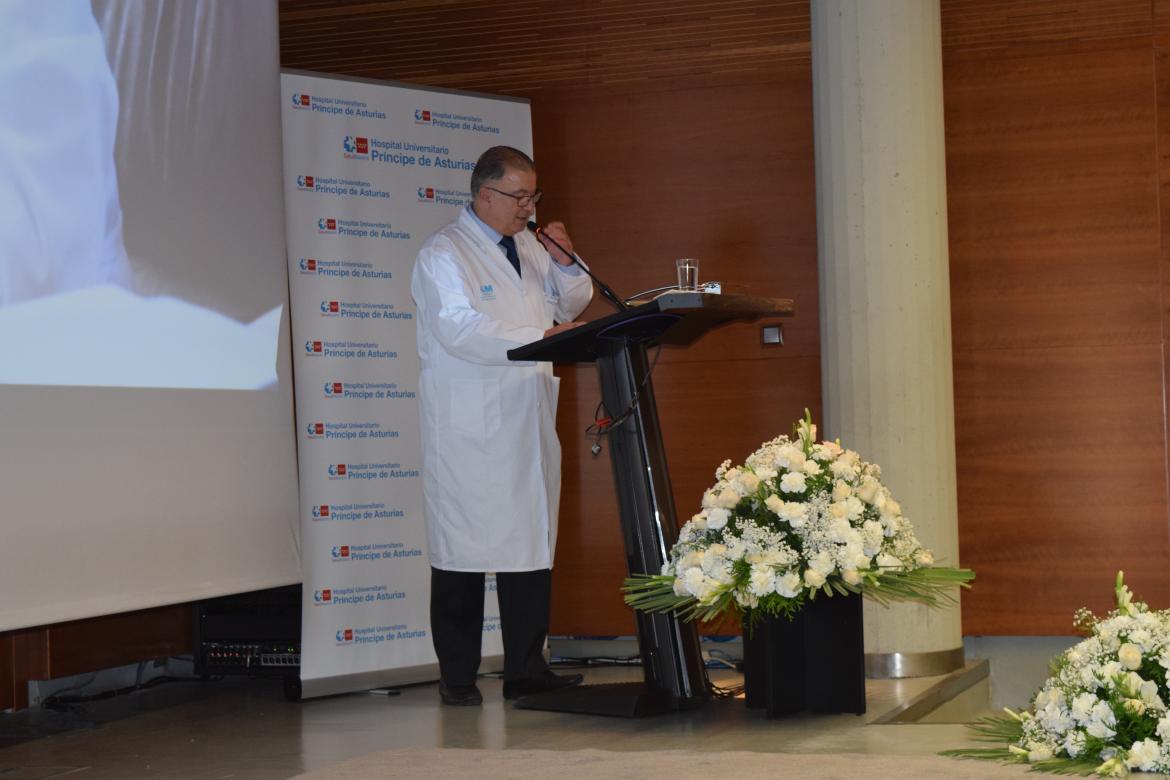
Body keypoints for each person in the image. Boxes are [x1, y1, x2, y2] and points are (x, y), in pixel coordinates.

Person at [411, 146, 593, 705]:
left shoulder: (530, 247)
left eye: (534, 196)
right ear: (484, 194)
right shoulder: (445, 253)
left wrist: (564, 261)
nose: (528, 207)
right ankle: (458, 678)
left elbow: (572, 302)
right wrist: (539, 341)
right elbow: (459, 329)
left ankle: (525, 669)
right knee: (462, 555)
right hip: (471, 428)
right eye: (519, 196)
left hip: (526, 420)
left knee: (530, 549)